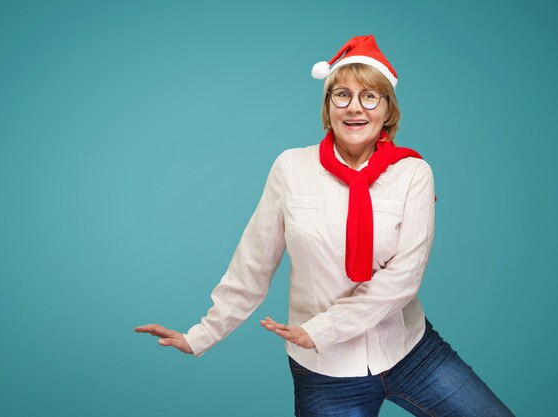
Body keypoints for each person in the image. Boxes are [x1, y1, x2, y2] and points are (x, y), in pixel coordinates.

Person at [135, 35, 515, 417]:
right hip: (324, 371)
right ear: (328, 105)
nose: (355, 108)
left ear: (387, 109)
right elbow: (254, 261)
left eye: (370, 96)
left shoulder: (413, 173)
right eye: (342, 95)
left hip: (410, 352)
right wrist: (201, 335)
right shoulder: (291, 168)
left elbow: (404, 278)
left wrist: (320, 329)